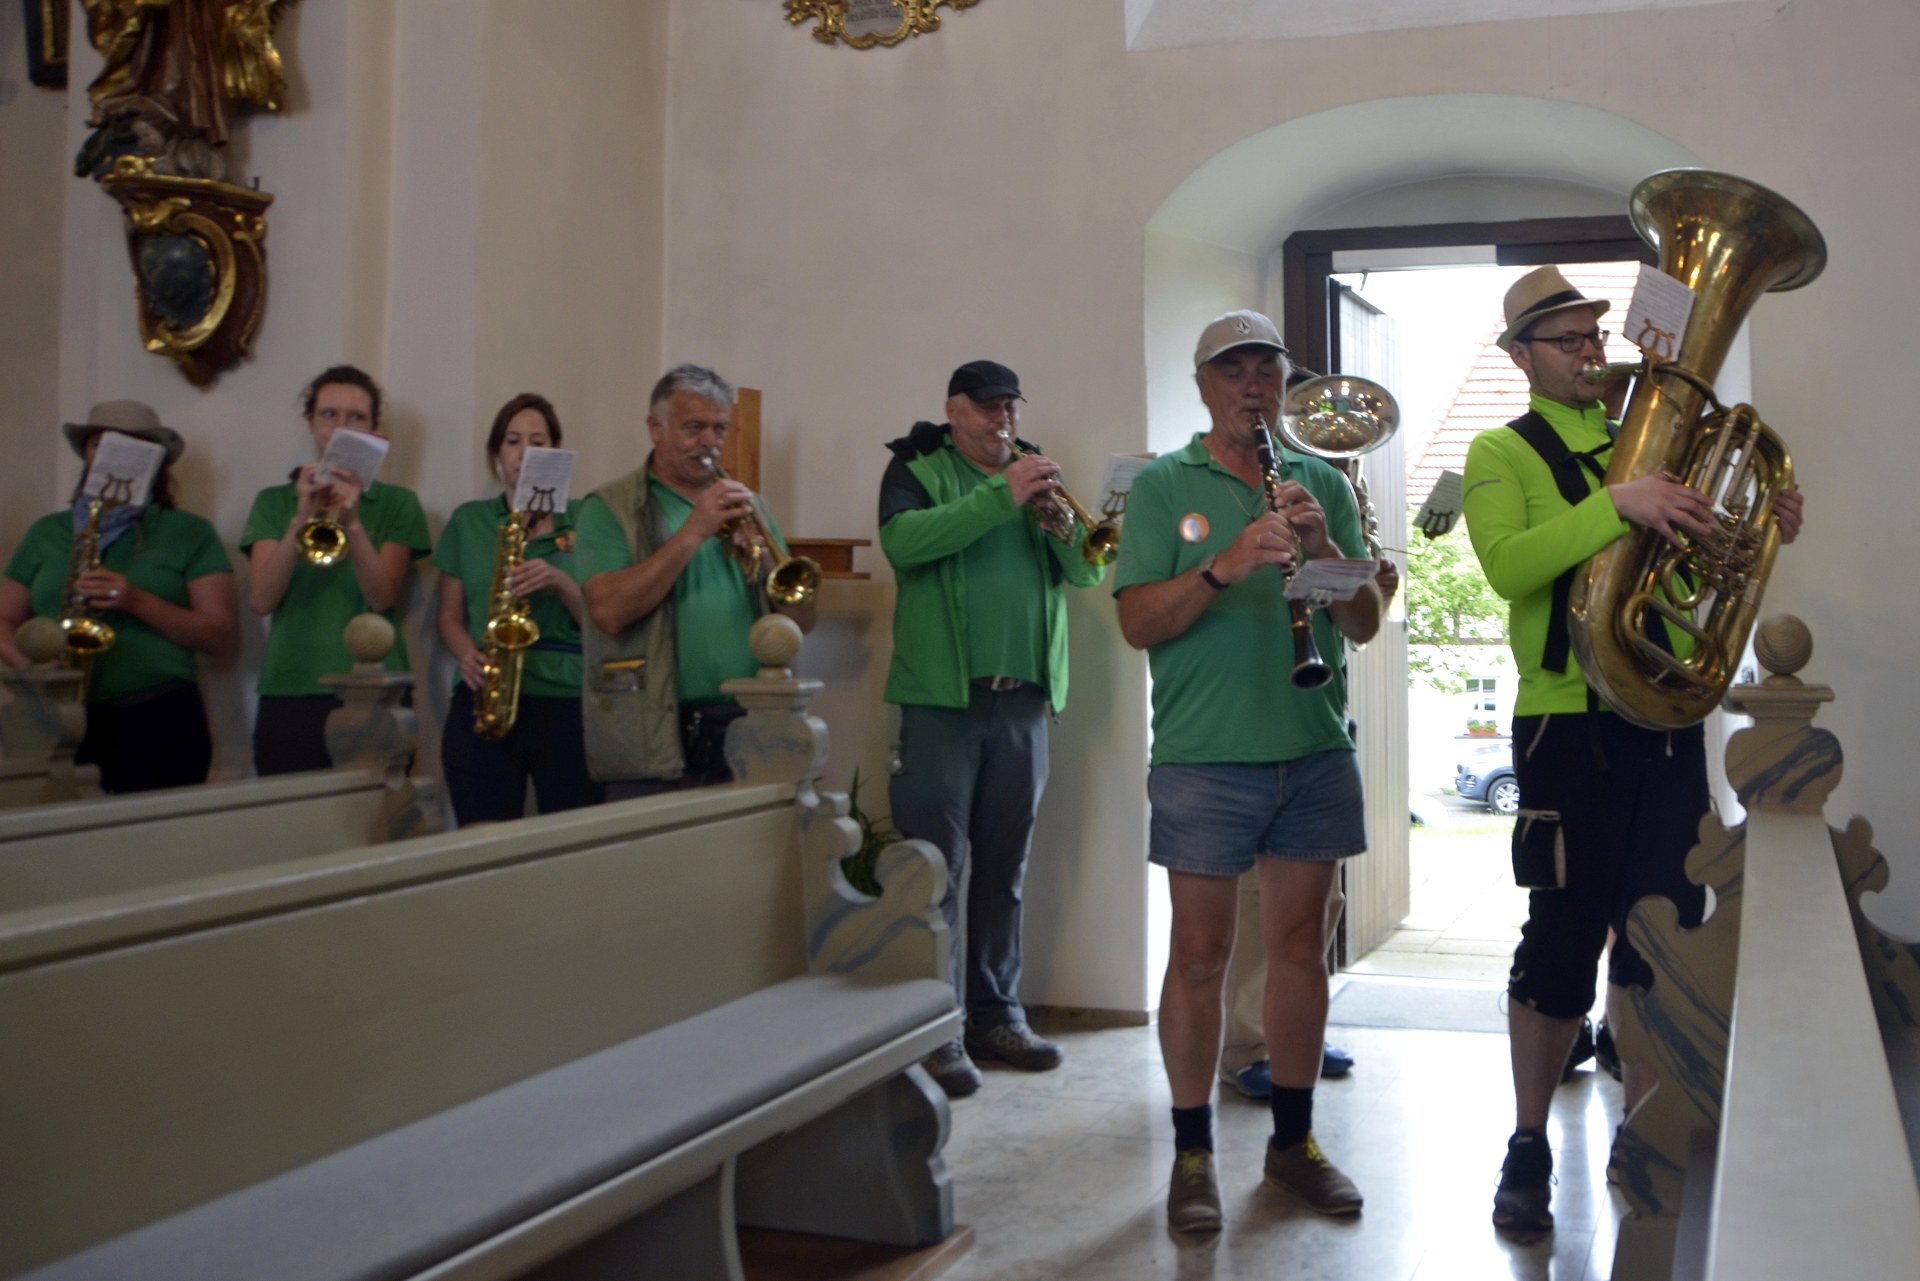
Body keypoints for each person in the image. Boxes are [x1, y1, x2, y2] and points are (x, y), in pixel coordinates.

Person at [1464, 266, 1804, 1237]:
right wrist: (1619, 502)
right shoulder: (1502, 450)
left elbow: (1689, 580)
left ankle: (1646, 1138)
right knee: (1562, 934)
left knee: (1663, 931)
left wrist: (1752, 531)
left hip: (1662, 721)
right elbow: (1508, 566)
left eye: (1592, 336)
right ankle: (1528, 1142)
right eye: (1566, 340)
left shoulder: (1647, 446)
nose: (1589, 352)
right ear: (1521, 356)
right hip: (1565, 722)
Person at [1114, 311, 1382, 1234]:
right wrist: (1223, 567)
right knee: (1199, 956)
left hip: (1313, 747)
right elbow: (1138, 622)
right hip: (1204, 756)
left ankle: (1294, 1143)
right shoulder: (1164, 486)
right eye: (1234, 370)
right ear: (1203, 385)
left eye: (1267, 368)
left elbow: (1363, 624)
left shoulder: (1320, 480)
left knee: (1302, 948)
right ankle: (1193, 1155)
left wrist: (1325, 550)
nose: (1254, 385)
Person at [880, 360, 1107, 1099]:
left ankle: (996, 1016)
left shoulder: (1034, 474)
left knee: (1005, 869)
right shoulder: (916, 468)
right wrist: (999, 495)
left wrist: (1058, 521)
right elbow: (904, 545)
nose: (1002, 419)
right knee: (936, 872)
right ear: (954, 411)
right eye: (987, 408)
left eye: (1009, 406)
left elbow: (1086, 573)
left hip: (1022, 703)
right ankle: (936, 1029)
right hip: (941, 704)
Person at [575, 363, 816, 799]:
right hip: (654, 730)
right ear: (656, 429)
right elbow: (608, 613)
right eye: (694, 428)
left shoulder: (750, 505)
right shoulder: (609, 507)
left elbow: (803, 621)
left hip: (748, 722)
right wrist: (693, 532)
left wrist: (764, 558)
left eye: (719, 428)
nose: (710, 442)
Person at [0, 401, 236, 793]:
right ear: (87, 454)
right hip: (52, 712)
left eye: (132, 446)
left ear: (156, 462)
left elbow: (219, 636)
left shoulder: (190, 532)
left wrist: (136, 601)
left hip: (158, 715)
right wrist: (32, 668)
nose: (114, 455)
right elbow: (4, 620)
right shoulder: (47, 532)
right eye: (101, 444)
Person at [242, 365, 430, 776]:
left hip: (375, 689)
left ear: (373, 429)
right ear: (312, 423)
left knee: (377, 810)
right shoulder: (273, 502)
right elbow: (260, 599)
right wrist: (300, 519)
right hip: (290, 687)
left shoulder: (399, 504)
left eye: (356, 417)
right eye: (329, 415)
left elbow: (381, 598)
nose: (341, 427)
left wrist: (354, 523)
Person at [433, 393, 603, 824]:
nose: (525, 453)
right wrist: (465, 655)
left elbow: (604, 621)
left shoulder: (588, 517)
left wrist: (560, 581)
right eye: (512, 441)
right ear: (497, 455)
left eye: (538, 442)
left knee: (571, 836)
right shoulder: (469, 521)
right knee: (482, 831)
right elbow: (449, 616)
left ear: (557, 452)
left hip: (566, 700)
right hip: (484, 692)